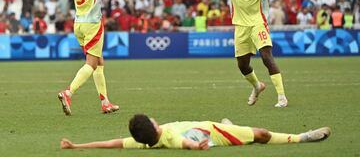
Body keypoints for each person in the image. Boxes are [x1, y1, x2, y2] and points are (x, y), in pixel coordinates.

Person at [58, 0, 146, 115]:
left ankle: (105, 102)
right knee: (91, 63)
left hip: (79, 24)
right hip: (93, 24)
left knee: (99, 61)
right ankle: (68, 92)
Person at [186, 0, 288, 107]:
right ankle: (257, 86)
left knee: (267, 57)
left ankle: (281, 97)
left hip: (257, 23)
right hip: (240, 26)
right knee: (242, 65)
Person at [60, 114, 331, 150]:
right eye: (153, 120)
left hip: (211, 127)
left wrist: (77, 146)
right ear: (154, 126)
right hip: (215, 132)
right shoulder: (168, 137)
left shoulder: (143, 143)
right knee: (261, 134)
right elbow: (183, 143)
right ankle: (302, 137)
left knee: (241, 128)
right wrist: (196, 146)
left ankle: (230, 122)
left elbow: (112, 143)